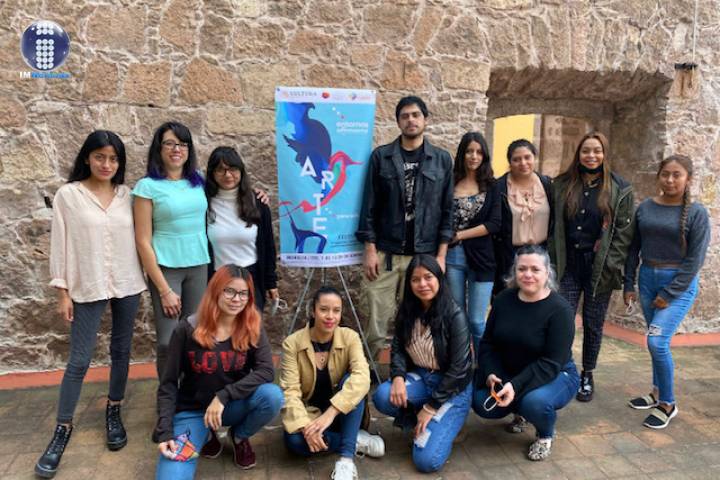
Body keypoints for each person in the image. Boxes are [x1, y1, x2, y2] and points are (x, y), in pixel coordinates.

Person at [35, 131, 146, 479]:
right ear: (87, 157)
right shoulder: (69, 195)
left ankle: (114, 409)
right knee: (79, 360)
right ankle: (62, 428)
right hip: (88, 283)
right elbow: (60, 243)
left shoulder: (128, 195)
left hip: (127, 281)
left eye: (113, 159)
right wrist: (62, 291)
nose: (106, 164)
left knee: (121, 351)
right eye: (100, 157)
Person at [153, 265, 283, 479]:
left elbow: (266, 371)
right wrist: (165, 431)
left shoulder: (252, 326)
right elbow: (168, 384)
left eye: (243, 293)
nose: (236, 299)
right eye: (229, 291)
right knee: (171, 476)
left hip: (231, 405)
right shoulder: (187, 329)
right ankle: (206, 435)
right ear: (216, 291)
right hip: (193, 411)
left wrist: (223, 396)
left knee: (272, 396)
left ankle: (239, 436)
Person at [356, 95, 454, 363]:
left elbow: (447, 211)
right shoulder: (381, 157)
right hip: (386, 253)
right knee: (376, 319)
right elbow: (369, 206)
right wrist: (370, 249)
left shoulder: (441, 160)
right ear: (398, 122)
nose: (411, 120)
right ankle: (369, 372)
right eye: (405, 116)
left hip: (423, 256)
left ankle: (413, 370)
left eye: (415, 115)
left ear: (425, 119)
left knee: (418, 319)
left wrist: (441, 256)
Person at [623, 155, 710, 429]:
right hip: (647, 278)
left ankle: (668, 403)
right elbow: (633, 249)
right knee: (654, 338)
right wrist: (628, 284)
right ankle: (656, 393)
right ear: (658, 176)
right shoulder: (646, 207)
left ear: (688, 179)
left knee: (657, 342)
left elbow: (695, 260)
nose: (670, 180)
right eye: (665, 174)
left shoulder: (697, 213)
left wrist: (670, 293)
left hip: (678, 284)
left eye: (677, 175)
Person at [548, 131, 634, 402]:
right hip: (568, 264)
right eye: (586, 150)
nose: (591, 155)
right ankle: (565, 368)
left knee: (593, 322)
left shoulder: (620, 188)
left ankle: (588, 373)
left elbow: (623, 235)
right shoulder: (563, 184)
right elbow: (553, 225)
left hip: (600, 267)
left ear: (604, 154)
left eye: (597, 150)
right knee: (562, 319)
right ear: (579, 154)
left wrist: (611, 263)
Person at [473, 245, 578, 461]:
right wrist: (492, 372)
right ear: (515, 271)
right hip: (513, 371)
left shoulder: (560, 310)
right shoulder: (503, 300)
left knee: (534, 403)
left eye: (535, 269)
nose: (527, 274)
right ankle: (521, 411)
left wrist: (514, 385)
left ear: (547, 273)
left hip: (556, 373)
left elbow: (551, 362)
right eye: (522, 269)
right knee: (481, 402)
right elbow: (488, 343)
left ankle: (545, 434)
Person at [372, 254, 472, 473]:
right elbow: (398, 348)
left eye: (428, 277)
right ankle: (423, 419)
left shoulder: (454, 314)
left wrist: (431, 407)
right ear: (409, 284)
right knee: (383, 395)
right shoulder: (408, 310)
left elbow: (459, 369)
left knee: (426, 461)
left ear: (439, 278)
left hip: (452, 388)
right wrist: (398, 377)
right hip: (422, 377)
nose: (422, 284)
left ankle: (445, 420)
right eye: (415, 279)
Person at [280, 286, 385, 480]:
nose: (330, 316)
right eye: (324, 309)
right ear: (313, 311)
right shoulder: (292, 343)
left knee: (352, 382)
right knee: (294, 442)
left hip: (343, 414)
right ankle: (354, 440)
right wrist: (305, 427)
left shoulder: (350, 337)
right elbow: (289, 391)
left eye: (336, 310)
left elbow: (363, 377)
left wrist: (331, 413)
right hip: (310, 414)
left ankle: (346, 459)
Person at [133, 122, 210, 377]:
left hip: (198, 265)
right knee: (168, 341)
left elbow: (231, 190)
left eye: (182, 144)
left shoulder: (198, 181)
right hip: (166, 269)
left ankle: (190, 391)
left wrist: (257, 194)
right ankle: (167, 395)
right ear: (159, 149)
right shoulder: (147, 187)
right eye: (170, 143)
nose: (177, 149)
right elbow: (142, 241)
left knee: (195, 335)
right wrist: (164, 290)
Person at [205, 146, 278, 311]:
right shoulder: (204, 203)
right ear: (212, 173)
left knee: (251, 326)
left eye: (233, 169)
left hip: (251, 279)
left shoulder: (257, 203)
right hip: (218, 280)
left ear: (241, 171)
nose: (228, 175)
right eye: (220, 170)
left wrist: (271, 283)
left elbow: (268, 246)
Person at [446, 131, 500, 352]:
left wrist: (459, 235)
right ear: (462, 154)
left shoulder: (492, 185)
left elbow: (494, 223)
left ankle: (482, 363)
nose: (474, 156)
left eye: (478, 152)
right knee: (457, 317)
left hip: (482, 259)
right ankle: (461, 363)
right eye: (469, 151)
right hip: (452, 258)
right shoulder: (450, 183)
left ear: (484, 156)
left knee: (477, 320)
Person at [492, 139, 553, 293]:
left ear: (534, 157)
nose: (523, 163)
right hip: (509, 255)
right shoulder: (499, 187)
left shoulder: (547, 184)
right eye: (516, 159)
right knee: (509, 297)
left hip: (541, 253)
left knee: (537, 298)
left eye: (527, 157)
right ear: (510, 162)